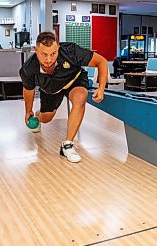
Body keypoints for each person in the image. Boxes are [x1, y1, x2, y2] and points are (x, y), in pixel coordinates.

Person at [19, 31, 108, 163]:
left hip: (74, 81)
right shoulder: (28, 69)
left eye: (53, 54)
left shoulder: (71, 50)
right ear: (36, 50)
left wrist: (101, 88)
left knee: (80, 98)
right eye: (44, 54)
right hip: (51, 90)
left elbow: (101, 61)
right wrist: (28, 111)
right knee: (46, 118)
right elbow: (28, 90)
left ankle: (67, 145)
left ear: (58, 48)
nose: (49, 59)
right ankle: (39, 116)